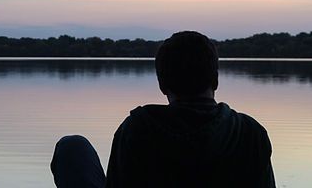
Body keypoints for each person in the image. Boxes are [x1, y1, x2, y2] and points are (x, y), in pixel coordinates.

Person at [51, 31, 275, 188]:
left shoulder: (137, 129)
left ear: (162, 85)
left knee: (72, 147)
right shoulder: (250, 133)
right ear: (215, 80)